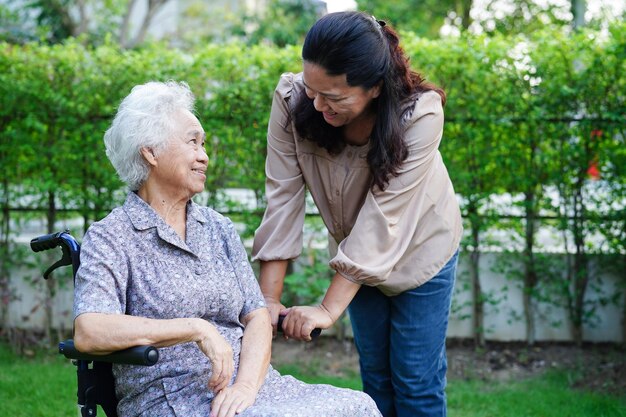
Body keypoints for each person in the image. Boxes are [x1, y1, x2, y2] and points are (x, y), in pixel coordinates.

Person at [72, 81, 382, 417]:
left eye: (203, 144)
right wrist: (194, 328)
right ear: (150, 151)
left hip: (249, 388)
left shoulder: (217, 228)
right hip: (171, 395)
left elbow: (257, 315)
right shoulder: (112, 235)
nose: (204, 156)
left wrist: (246, 387)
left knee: (358, 406)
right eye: (193, 142)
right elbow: (89, 331)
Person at [252, 11, 463, 417]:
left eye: (333, 98)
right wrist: (268, 300)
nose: (317, 104)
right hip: (356, 257)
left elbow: (382, 217)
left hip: (422, 253)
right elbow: (282, 198)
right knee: (376, 382)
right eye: (313, 89)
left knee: (415, 382)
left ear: (375, 88)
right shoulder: (293, 99)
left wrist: (328, 309)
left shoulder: (419, 116)